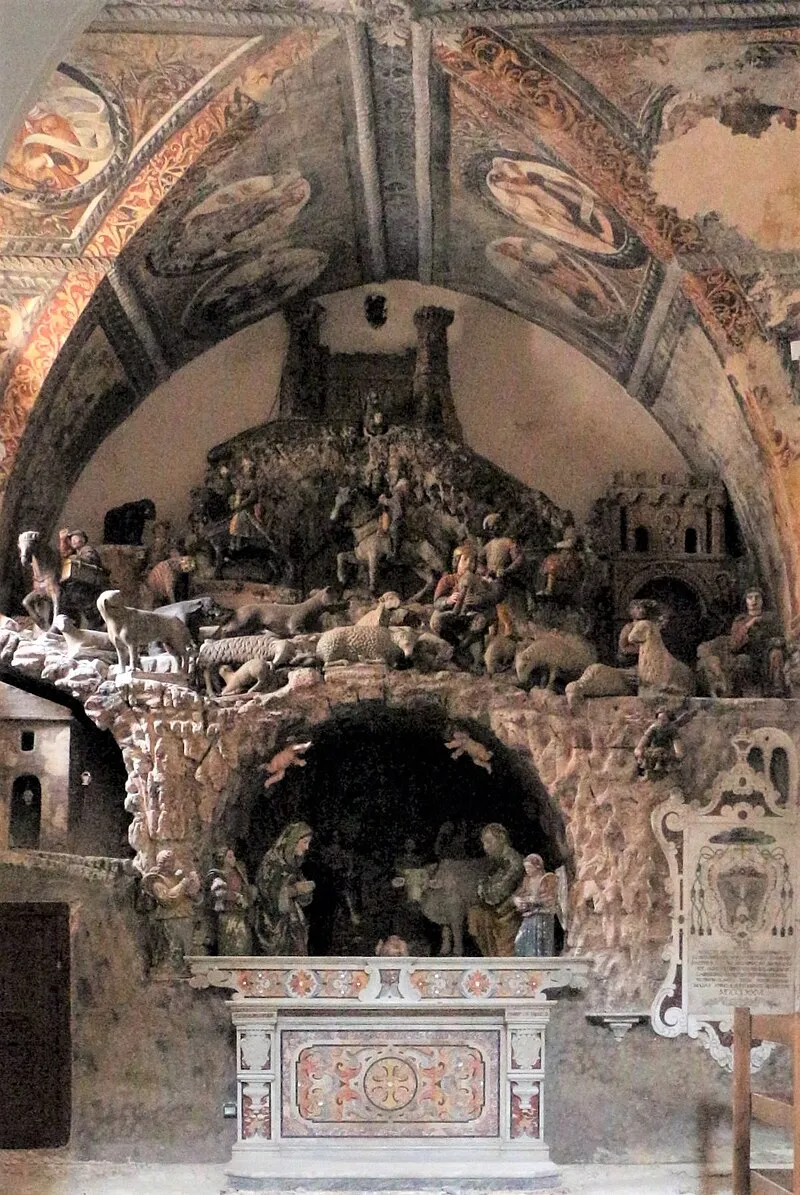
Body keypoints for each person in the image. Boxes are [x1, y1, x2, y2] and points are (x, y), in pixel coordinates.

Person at [253, 821, 315, 955]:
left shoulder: (293, 865)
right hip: (275, 925)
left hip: (293, 922)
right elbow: (268, 895)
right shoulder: (272, 864)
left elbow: (301, 896)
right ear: (293, 840)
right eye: (304, 842)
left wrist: (304, 891)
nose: (307, 847)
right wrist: (295, 890)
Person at [467, 823, 525, 957]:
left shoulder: (514, 862)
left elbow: (496, 894)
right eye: (483, 843)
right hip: (497, 910)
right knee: (474, 914)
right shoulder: (496, 862)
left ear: (502, 839)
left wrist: (483, 889)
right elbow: (484, 887)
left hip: (510, 912)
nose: (485, 847)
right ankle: (491, 955)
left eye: (489, 842)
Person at [140, 849, 203, 970]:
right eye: (168, 862)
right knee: (173, 948)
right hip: (169, 918)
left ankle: (187, 968)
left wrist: (192, 884)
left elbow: (194, 897)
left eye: (172, 861)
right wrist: (183, 884)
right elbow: (168, 899)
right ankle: (171, 970)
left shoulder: (177, 877)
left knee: (188, 947)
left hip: (185, 916)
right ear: (161, 863)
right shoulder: (156, 881)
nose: (171, 864)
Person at [729, 587, 786, 696]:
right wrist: (748, 626)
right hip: (749, 657)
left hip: (767, 655)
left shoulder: (771, 618)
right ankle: (745, 693)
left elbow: (782, 638)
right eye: (750, 598)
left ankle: (777, 690)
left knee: (776, 654)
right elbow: (733, 645)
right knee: (741, 660)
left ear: (762, 600)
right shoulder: (740, 621)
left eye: (757, 597)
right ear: (745, 601)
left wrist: (776, 641)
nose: (754, 601)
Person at [207, 847, 254, 956]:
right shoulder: (217, 875)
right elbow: (218, 892)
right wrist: (236, 897)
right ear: (222, 859)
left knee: (243, 944)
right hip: (228, 915)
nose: (233, 859)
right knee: (232, 945)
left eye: (233, 856)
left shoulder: (238, 873)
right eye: (229, 856)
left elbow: (244, 888)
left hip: (241, 914)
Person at [513, 855, 559, 957]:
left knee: (538, 943)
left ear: (537, 867)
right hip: (529, 915)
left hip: (542, 916)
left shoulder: (546, 879)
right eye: (526, 868)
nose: (527, 870)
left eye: (529, 867)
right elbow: (519, 893)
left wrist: (535, 900)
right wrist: (517, 900)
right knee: (520, 942)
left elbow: (551, 899)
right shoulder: (527, 880)